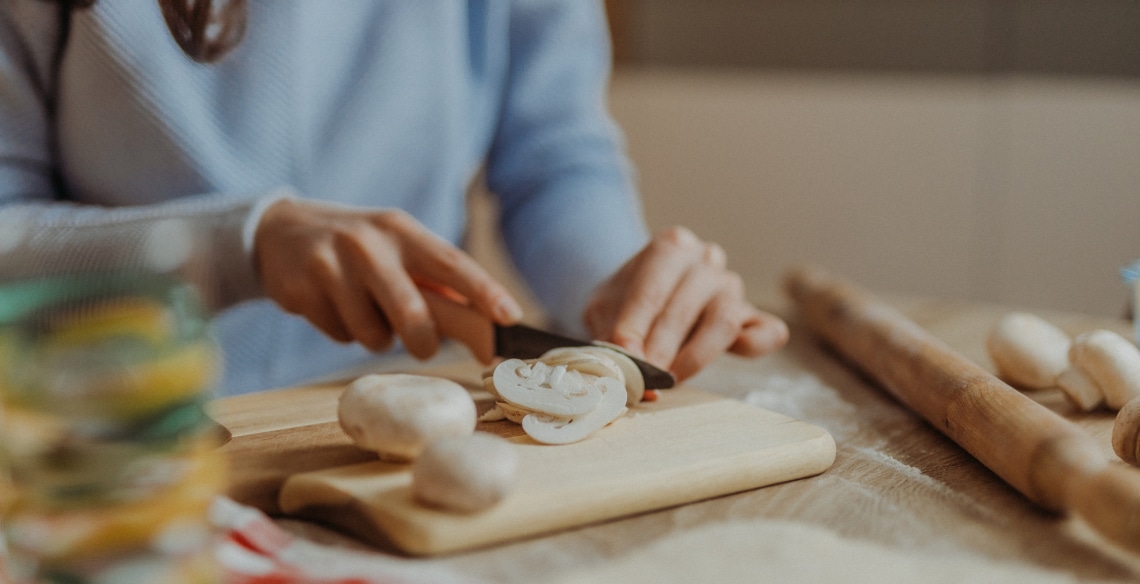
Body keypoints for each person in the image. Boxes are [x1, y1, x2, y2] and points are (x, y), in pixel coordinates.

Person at [0, 0, 788, 396]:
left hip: (401, 421)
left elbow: (553, 154)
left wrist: (617, 287)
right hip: (103, 447)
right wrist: (240, 246)